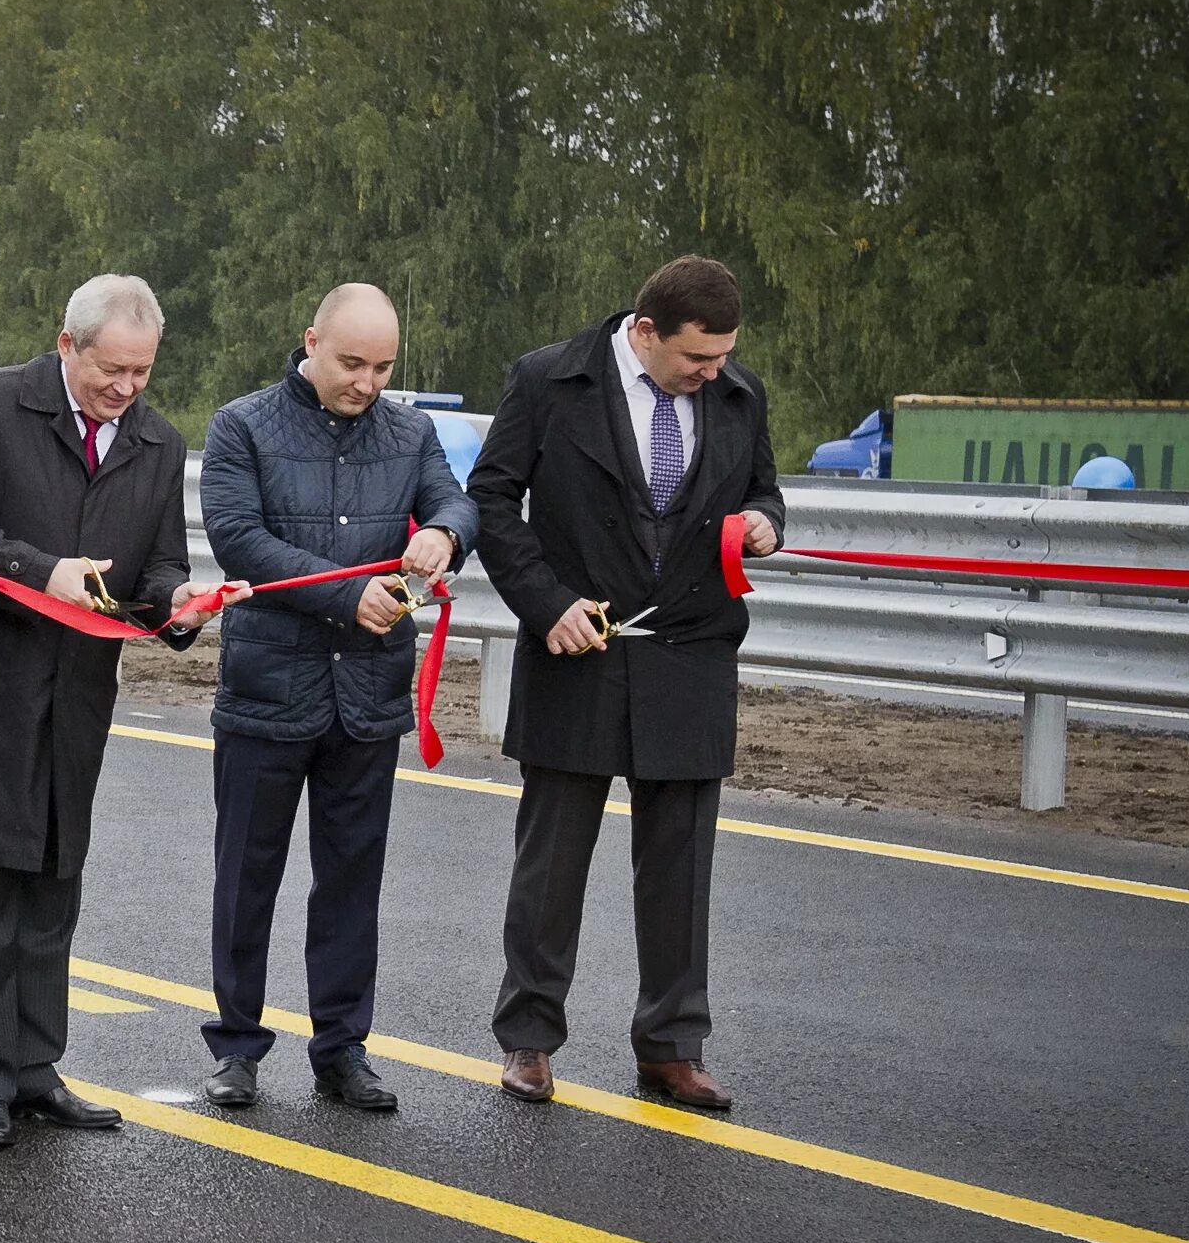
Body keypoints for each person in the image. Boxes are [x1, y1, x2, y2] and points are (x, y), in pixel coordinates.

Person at [0, 275, 241, 1148]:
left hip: (79, 695)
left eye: (143, 373)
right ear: (67, 345)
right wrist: (41, 567)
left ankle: (37, 1069)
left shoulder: (157, 443)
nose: (127, 389)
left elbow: (152, 569)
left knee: (52, 882)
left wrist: (179, 606)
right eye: (112, 370)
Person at [467, 255, 787, 1111]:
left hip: (691, 655)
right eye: (696, 359)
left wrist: (764, 523)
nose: (712, 373)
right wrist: (547, 605)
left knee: (681, 871)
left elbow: (765, 490)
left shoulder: (736, 393)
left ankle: (672, 1047)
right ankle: (529, 1039)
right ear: (644, 332)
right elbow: (492, 502)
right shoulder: (547, 380)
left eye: (723, 357)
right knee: (552, 865)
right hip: (579, 652)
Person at [194, 283, 476, 1114]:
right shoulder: (240, 425)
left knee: (352, 881)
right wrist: (343, 598)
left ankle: (342, 1049)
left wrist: (445, 531)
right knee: (246, 877)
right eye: (351, 362)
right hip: (267, 690)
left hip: (368, 696)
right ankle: (237, 1047)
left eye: (383, 366)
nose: (367, 381)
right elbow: (239, 537)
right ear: (310, 340)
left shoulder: (411, 429)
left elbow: (458, 497)